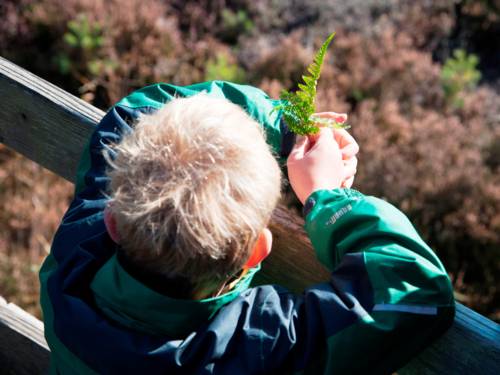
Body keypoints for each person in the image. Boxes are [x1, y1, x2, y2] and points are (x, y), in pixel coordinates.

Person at [40, 81, 455, 374]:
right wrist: (325, 195)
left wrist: (282, 129)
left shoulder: (77, 254)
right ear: (258, 251)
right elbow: (413, 281)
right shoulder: (258, 349)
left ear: (113, 219)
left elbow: (140, 109)